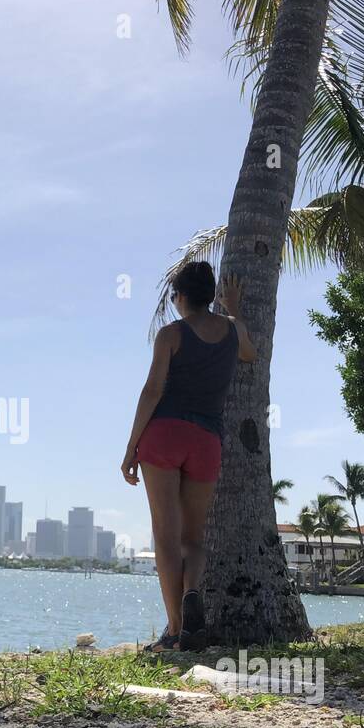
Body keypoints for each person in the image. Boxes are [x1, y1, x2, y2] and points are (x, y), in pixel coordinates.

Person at [121, 261, 257, 650]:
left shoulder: (171, 334)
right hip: (206, 440)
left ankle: (175, 630)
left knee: (165, 538)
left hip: (164, 434)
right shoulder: (233, 330)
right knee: (193, 538)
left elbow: (152, 391)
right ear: (211, 295)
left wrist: (131, 447)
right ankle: (191, 590)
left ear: (179, 297)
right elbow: (250, 355)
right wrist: (235, 310)